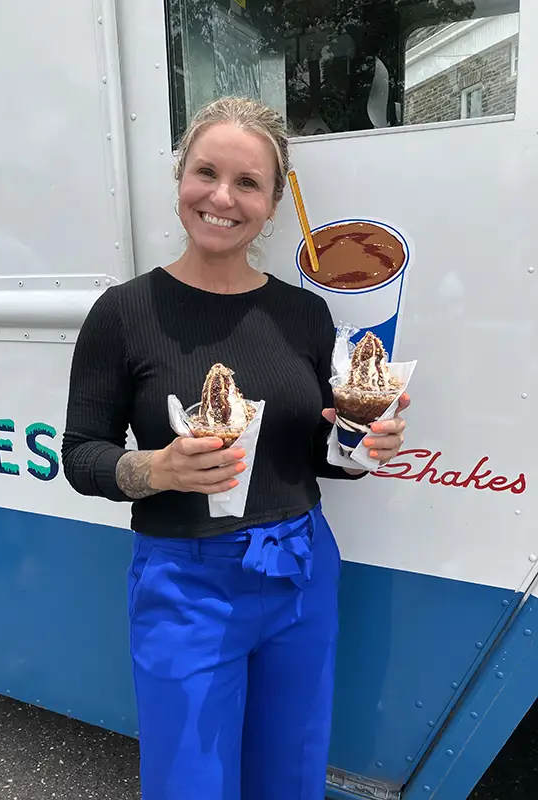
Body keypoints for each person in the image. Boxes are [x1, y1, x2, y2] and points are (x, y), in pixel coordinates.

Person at [61, 97, 409, 800]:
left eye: (247, 183)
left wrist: (360, 439)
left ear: (272, 203)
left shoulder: (304, 313)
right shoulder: (125, 312)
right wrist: (155, 468)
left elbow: (318, 454)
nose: (221, 197)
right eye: (205, 173)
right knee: (190, 782)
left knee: (291, 776)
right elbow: (80, 453)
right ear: (180, 178)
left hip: (302, 570)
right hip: (185, 582)